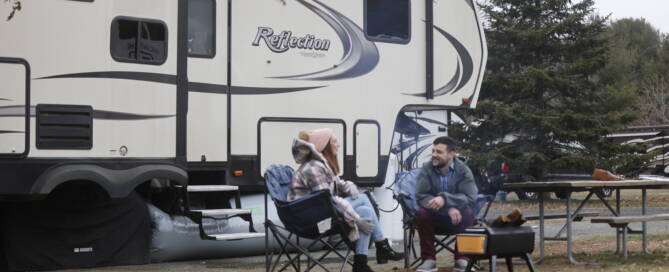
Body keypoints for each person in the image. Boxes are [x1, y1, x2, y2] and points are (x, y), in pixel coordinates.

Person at [288, 128, 404, 272]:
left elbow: (335, 185)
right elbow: (326, 201)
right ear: (324, 145)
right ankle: (382, 245)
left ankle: (360, 263)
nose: (338, 145)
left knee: (365, 211)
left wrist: (348, 187)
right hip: (311, 221)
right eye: (335, 142)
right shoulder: (313, 168)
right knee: (362, 199)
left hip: (318, 213)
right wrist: (355, 218)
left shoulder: (320, 165)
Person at [414, 136, 478, 272]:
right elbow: (421, 196)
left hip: (457, 218)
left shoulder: (463, 170)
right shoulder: (427, 168)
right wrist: (447, 209)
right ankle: (429, 260)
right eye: (433, 151)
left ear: (451, 154)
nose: (434, 155)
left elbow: (470, 197)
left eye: (439, 152)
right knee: (421, 214)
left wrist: (445, 199)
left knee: (467, 212)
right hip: (434, 216)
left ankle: (462, 258)